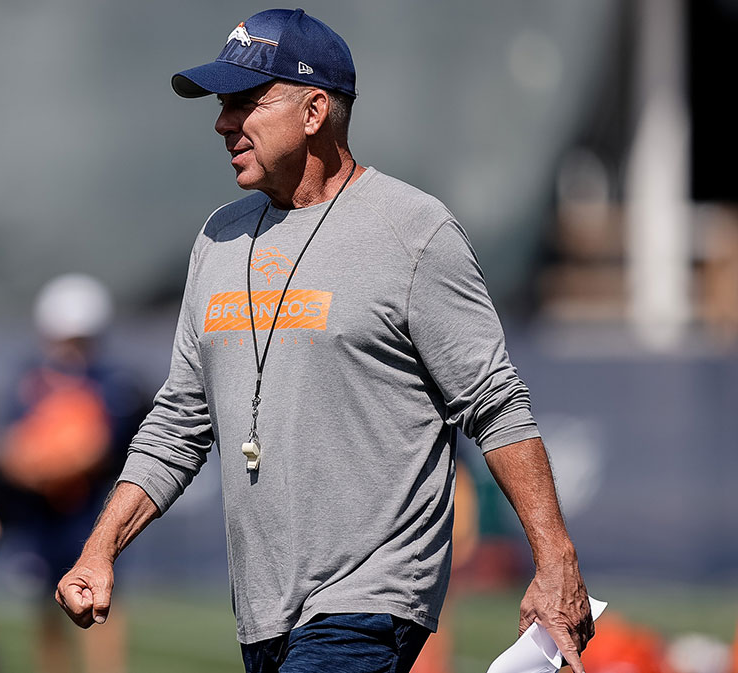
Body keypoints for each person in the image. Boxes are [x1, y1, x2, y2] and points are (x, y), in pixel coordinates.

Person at [54, 9, 593, 673]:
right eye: (222, 104)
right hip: (262, 607)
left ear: (314, 111)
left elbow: (495, 403)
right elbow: (178, 424)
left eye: (246, 102)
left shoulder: (413, 231)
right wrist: (100, 546)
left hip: (369, 598)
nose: (224, 122)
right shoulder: (218, 237)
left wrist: (554, 562)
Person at [0, 274, 148, 673]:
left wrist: (50, 462)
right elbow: (11, 448)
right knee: (47, 607)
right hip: (43, 515)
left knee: (101, 605)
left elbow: (95, 448)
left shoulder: (112, 382)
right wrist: (33, 465)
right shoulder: (33, 381)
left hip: (90, 512)